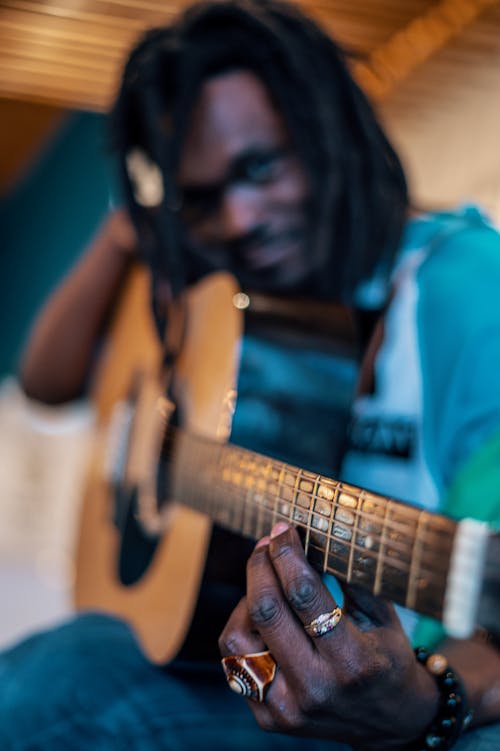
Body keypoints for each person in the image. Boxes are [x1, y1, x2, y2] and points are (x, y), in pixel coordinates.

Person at [2, 1, 500, 749]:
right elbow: (45, 381)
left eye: (261, 166)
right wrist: (126, 229)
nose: (238, 220)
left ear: (333, 135)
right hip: (273, 680)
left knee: (55, 689)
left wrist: (434, 700)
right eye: (201, 199)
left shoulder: (465, 291)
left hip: (414, 690)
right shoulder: (231, 306)